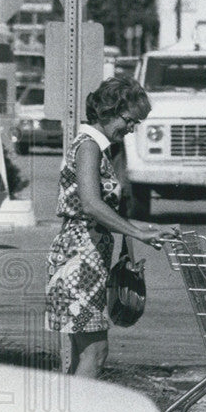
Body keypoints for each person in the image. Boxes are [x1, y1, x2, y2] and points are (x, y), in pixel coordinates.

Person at [45, 76, 171, 378]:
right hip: (79, 262)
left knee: (84, 354)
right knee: (96, 352)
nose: (131, 129)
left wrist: (149, 229)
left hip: (85, 259)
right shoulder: (88, 147)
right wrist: (137, 232)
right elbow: (91, 205)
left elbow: (99, 213)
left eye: (136, 123)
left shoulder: (96, 148)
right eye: (130, 121)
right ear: (107, 111)